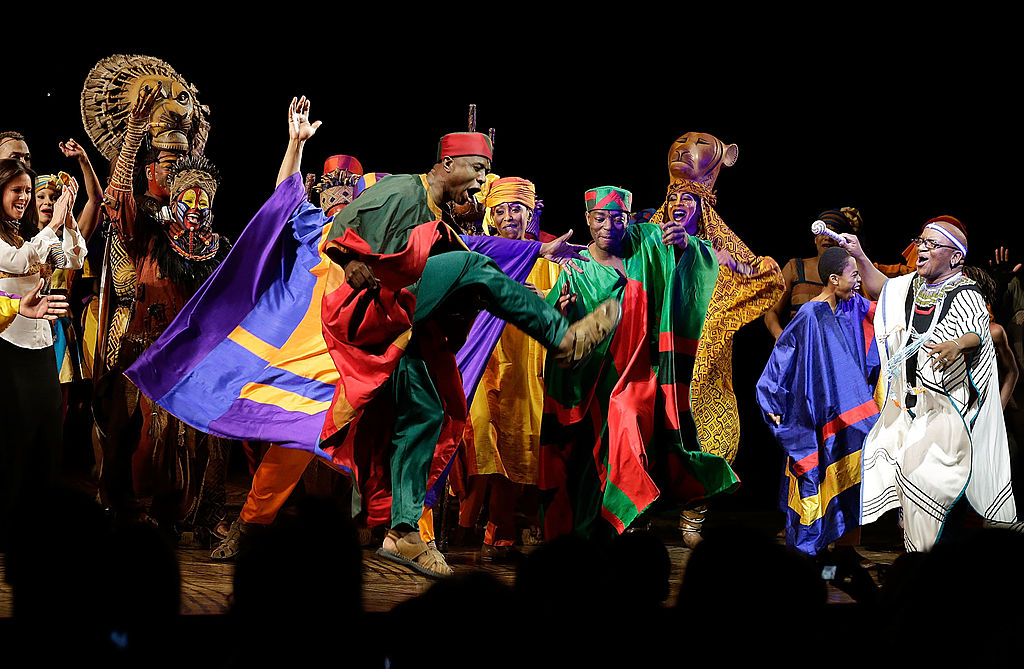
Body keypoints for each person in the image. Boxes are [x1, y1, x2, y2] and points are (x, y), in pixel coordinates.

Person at [311, 99, 620, 576]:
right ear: (448, 163)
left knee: (427, 413)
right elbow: (340, 226)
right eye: (477, 169)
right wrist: (350, 260)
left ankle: (402, 532)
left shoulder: (442, 215)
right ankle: (562, 338)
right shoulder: (403, 187)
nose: (481, 180)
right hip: (372, 308)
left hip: (404, 325)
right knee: (475, 266)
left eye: (485, 171)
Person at [92, 82, 230, 543]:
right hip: (144, 345)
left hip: (191, 352)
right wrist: (135, 129)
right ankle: (128, 508)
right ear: (152, 169)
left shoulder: (209, 240)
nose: (192, 203)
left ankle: (200, 513)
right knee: (136, 432)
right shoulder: (146, 228)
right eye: (167, 165)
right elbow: (120, 200)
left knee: (202, 435)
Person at [649, 132, 786, 546]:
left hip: (702, 355)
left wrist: (718, 259)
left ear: (702, 207)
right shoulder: (651, 238)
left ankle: (694, 514)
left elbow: (766, 277)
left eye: (689, 200)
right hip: (656, 350)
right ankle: (640, 512)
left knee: (708, 431)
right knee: (648, 425)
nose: (679, 205)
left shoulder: (719, 244)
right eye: (674, 199)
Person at [849, 216, 1017, 550]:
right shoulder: (914, 286)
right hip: (915, 409)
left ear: (955, 257)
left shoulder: (966, 290)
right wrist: (859, 255)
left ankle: (931, 559)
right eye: (921, 241)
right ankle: (919, 558)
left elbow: (976, 331)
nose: (921, 248)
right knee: (906, 478)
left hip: (951, 414)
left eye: (931, 244)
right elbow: (882, 289)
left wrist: (956, 344)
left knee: (930, 483)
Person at [454, 176, 561, 559]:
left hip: (527, 366)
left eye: (516, 209)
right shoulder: (484, 252)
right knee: (480, 438)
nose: (508, 217)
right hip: (485, 362)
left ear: (530, 212)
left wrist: (544, 297)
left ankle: (498, 531)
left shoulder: (547, 258)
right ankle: (465, 522)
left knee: (517, 444)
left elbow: (568, 303)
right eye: (499, 211)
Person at [756, 246, 880, 555]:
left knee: (851, 475)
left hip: (847, 413)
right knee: (814, 477)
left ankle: (844, 554)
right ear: (834, 279)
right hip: (814, 413)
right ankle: (809, 555)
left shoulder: (853, 307)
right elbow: (782, 356)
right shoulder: (810, 314)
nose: (859, 282)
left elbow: (886, 313)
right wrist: (773, 401)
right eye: (854, 276)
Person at [0, 158, 78, 546]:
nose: (25, 197)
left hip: (42, 343)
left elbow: (72, 259)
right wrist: (51, 226)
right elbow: (18, 262)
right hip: (8, 348)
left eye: (28, 191)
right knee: (16, 440)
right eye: (17, 190)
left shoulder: (27, 234)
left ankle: (39, 528)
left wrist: (68, 222)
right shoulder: (13, 242)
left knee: (48, 437)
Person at [765, 208, 859, 339]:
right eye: (823, 232)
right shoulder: (795, 267)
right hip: (799, 344)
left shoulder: (849, 275)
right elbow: (772, 312)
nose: (827, 238)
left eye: (833, 233)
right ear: (815, 239)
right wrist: (780, 336)